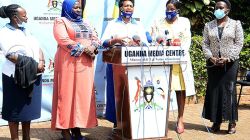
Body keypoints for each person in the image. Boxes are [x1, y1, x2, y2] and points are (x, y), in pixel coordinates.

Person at [51, 0, 99, 139]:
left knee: (81, 97)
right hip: (68, 63)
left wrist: (93, 47)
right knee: (66, 96)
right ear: (67, 7)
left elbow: (95, 38)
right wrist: (85, 48)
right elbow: (63, 40)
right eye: (75, 7)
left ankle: (77, 128)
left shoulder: (86, 22)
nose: (78, 9)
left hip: (85, 65)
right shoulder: (61, 21)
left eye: (79, 7)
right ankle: (64, 129)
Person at [0, 4, 45, 140]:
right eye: (24, 15)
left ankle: (27, 138)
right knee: (14, 112)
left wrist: (41, 61)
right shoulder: (4, 33)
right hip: (15, 78)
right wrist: (35, 66)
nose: (26, 17)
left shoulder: (26, 31)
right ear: (14, 17)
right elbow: (11, 55)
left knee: (27, 113)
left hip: (32, 77)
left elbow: (38, 47)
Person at [151, 0, 196, 134]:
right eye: (167, 9)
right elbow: (154, 39)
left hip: (179, 61)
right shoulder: (158, 22)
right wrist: (162, 42)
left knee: (180, 90)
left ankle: (180, 119)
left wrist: (178, 45)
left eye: (172, 9)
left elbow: (187, 40)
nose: (169, 11)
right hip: (163, 61)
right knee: (162, 90)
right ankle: (161, 120)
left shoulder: (184, 22)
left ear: (178, 11)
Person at [102, 0, 147, 130]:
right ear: (121, 7)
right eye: (126, 5)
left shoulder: (138, 24)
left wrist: (137, 43)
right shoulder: (112, 24)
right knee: (115, 92)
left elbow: (145, 44)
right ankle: (117, 122)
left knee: (133, 93)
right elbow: (103, 42)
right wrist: (115, 40)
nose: (129, 8)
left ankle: (133, 122)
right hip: (116, 63)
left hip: (135, 64)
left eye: (131, 6)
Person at [202, 0, 244, 134]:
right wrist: (211, 57)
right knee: (214, 91)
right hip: (213, 63)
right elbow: (205, 44)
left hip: (230, 63)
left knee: (229, 90)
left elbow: (239, 43)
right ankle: (216, 121)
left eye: (221, 8)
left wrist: (228, 58)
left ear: (227, 10)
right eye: (216, 7)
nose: (218, 10)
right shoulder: (209, 25)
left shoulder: (236, 24)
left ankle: (232, 122)